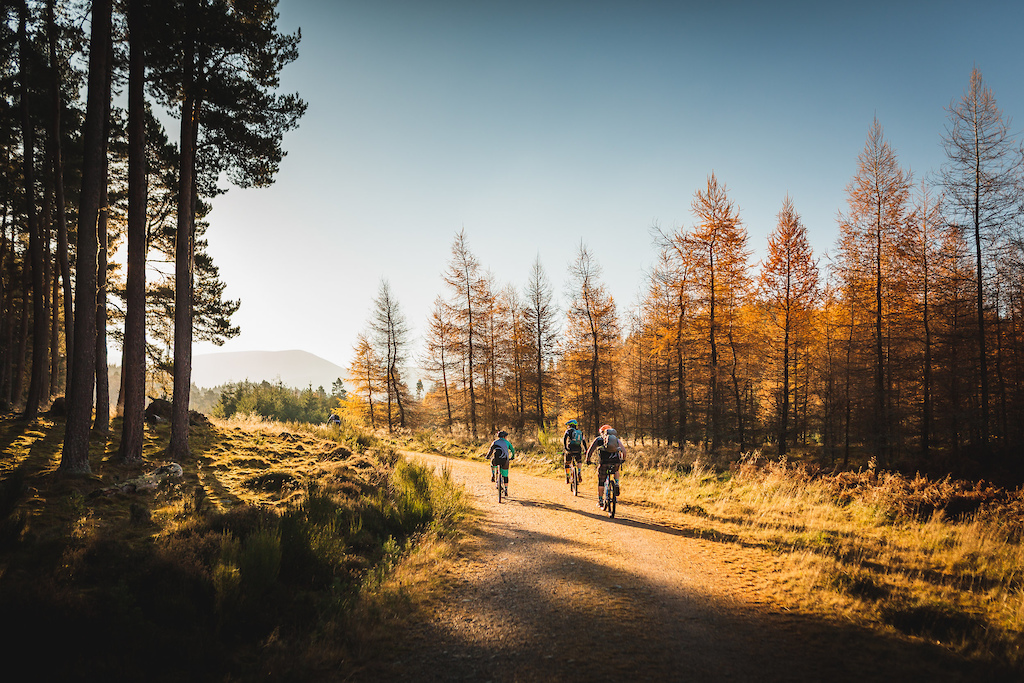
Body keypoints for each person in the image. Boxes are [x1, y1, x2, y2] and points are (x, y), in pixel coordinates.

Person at [585, 424, 627, 508]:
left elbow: (590, 451)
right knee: (616, 470)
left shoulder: (599, 439)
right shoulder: (616, 440)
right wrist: (622, 459)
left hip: (604, 463)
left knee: (601, 480)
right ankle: (617, 483)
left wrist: (588, 459)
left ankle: (600, 500)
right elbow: (624, 451)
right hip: (615, 462)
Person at [487, 430, 516, 495]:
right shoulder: (507, 442)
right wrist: (512, 457)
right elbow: (512, 450)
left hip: (496, 460)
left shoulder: (495, 442)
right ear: (505, 436)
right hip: (505, 460)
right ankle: (506, 489)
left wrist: (487, 456)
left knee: (492, 462)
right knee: (505, 475)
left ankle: (493, 474)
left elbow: (490, 451)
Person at [562, 419, 584, 484]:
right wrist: (585, 450)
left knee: (567, 462)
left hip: (570, 449)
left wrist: (565, 448)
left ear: (570, 425)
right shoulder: (580, 432)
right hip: (578, 449)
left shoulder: (568, 431)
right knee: (579, 461)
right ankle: (579, 472)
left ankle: (567, 476)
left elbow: (564, 439)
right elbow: (584, 441)